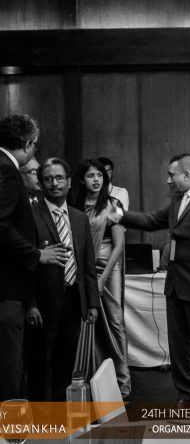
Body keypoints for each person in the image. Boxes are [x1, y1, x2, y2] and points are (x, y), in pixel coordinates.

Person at [108, 153, 190, 402]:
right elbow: (153, 220)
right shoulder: (177, 200)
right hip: (175, 287)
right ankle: (186, 394)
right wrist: (121, 216)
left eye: (171, 175)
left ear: (187, 174)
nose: (168, 180)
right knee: (179, 346)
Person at [0, 114, 66, 401]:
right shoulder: (6, 169)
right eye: (34, 146)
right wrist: (37, 253)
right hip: (7, 290)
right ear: (28, 143)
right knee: (9, 370)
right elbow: (1, 226)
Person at [26, 157, 99, 401]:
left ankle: (59, 414)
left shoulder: (79, 217)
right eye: (48, 179)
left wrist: (92, 303)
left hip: (73, 300)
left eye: (59, 178)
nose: (54, 183)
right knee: (39, 365)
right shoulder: (31, 215)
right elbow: (24, 266)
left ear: (68, 182)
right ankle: (40, 417)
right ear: (41, 183)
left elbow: (87, 264)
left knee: (66, 363)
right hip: (42, 304)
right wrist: (30, 304)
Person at [71, 159, 131, 398]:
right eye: (90, 175)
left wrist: (103, 279)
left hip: (108, 265)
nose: (95, 179)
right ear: (81, 180)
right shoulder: (73, 204)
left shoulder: (113, 205)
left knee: (115, 321)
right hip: (81, 265)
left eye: (99, 175)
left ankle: (122, 379)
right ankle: (90, 376)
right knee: (86, 319)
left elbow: (119, 246)